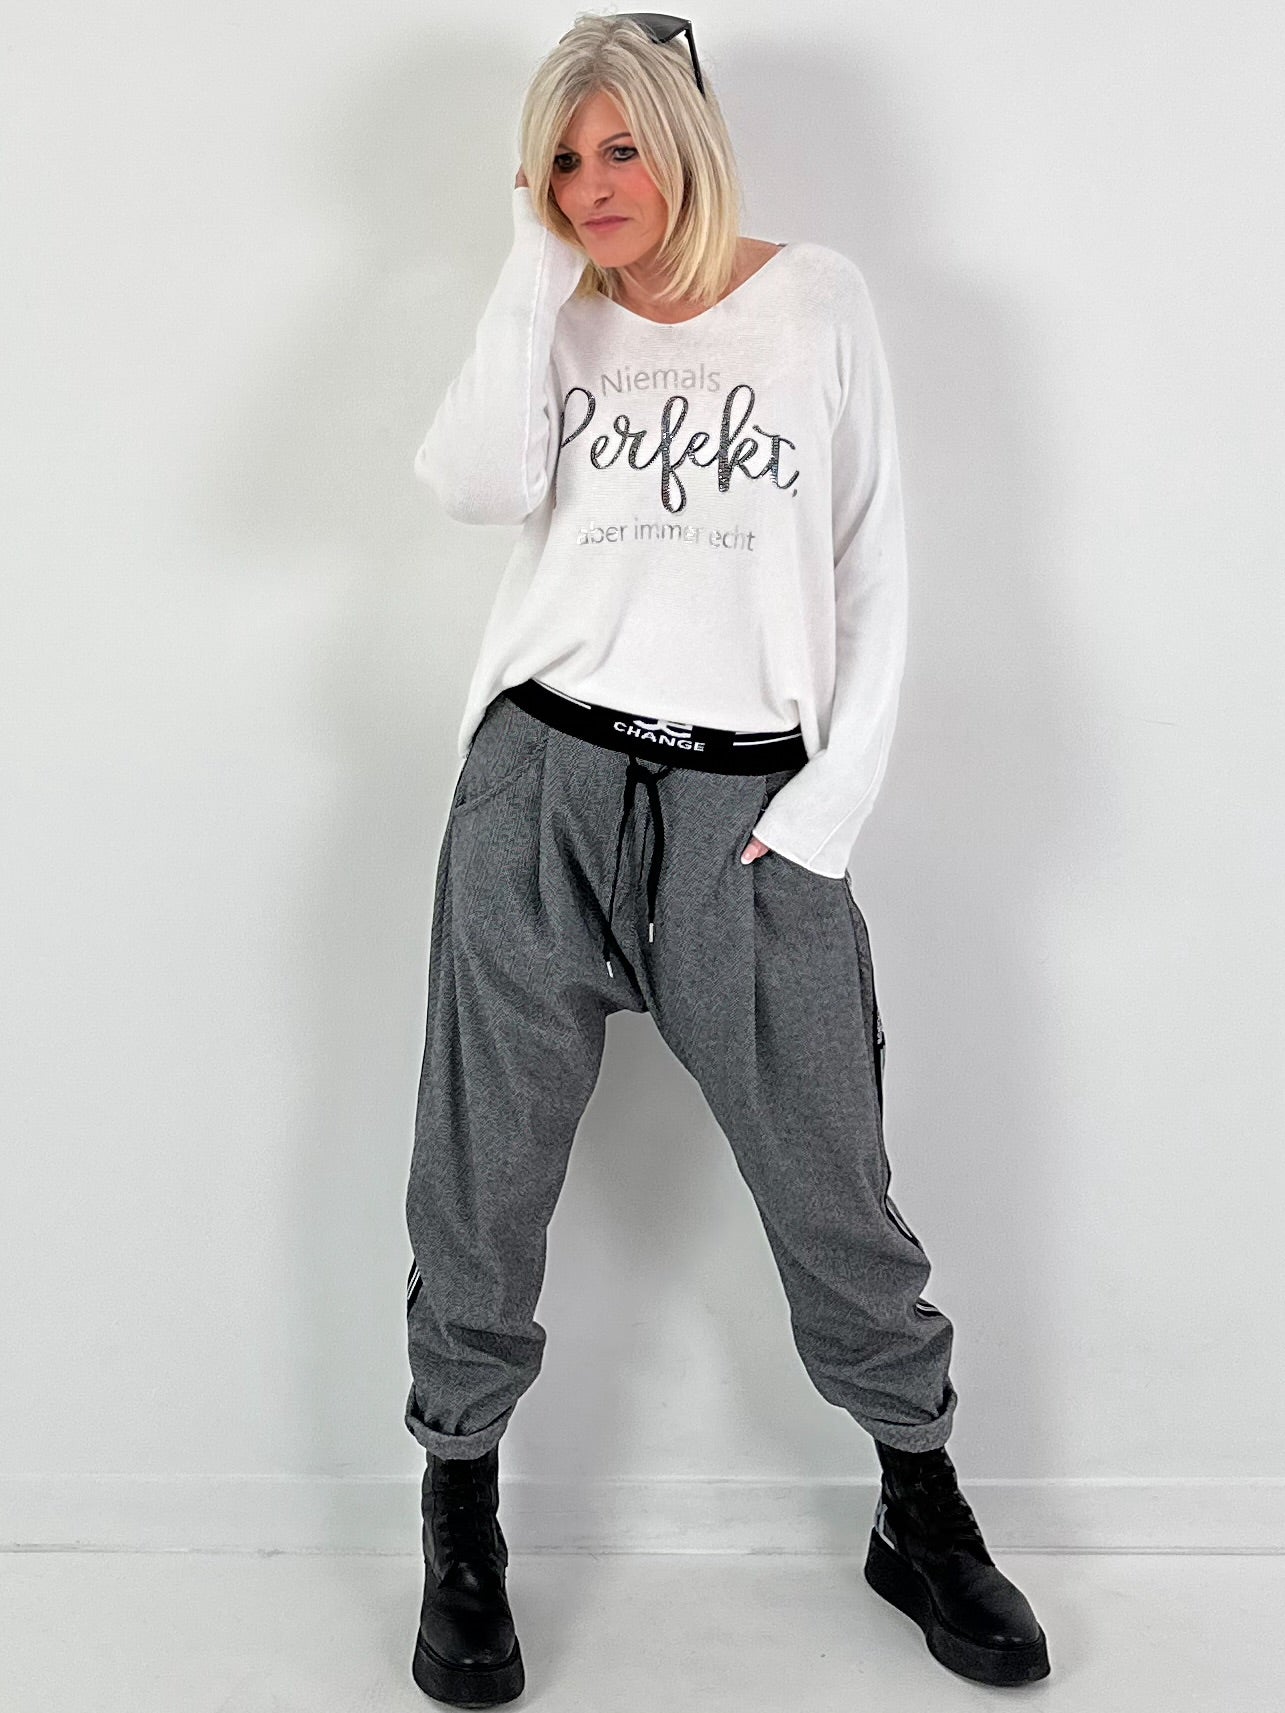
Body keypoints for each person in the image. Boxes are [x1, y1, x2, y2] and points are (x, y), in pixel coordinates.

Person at [404, 12, 1050, 1705]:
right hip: (541, 785)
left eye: (620, 147)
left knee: (833, 1180)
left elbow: (874, 555)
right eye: (561, 159)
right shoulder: (556, 312)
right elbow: (469, 483)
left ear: (684, 144)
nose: (590, 185)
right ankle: (459, 1511)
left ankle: (917, 1503)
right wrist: (528, 270)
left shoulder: (815, 299)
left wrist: (820, 816)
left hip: (745, 811)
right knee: (480, 1177)